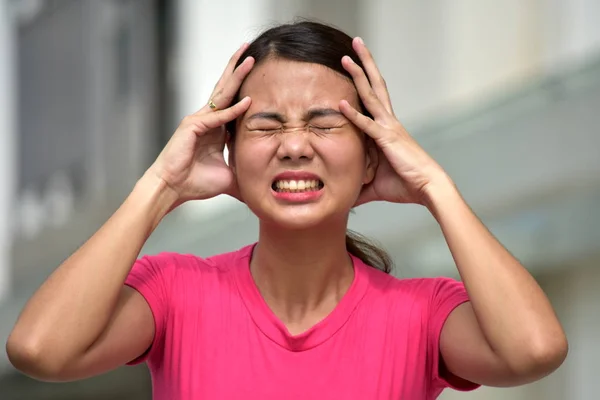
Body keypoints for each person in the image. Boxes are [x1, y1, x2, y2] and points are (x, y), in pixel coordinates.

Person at [6, 21, 567, 399]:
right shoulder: (175, 292)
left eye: (324, 124)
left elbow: (533, 352)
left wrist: (434, 186)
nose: (294, 145)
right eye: (266, 125)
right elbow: (41, 351)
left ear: (373, 158)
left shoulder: (420, 314)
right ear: (227, 154)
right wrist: (161, 183)